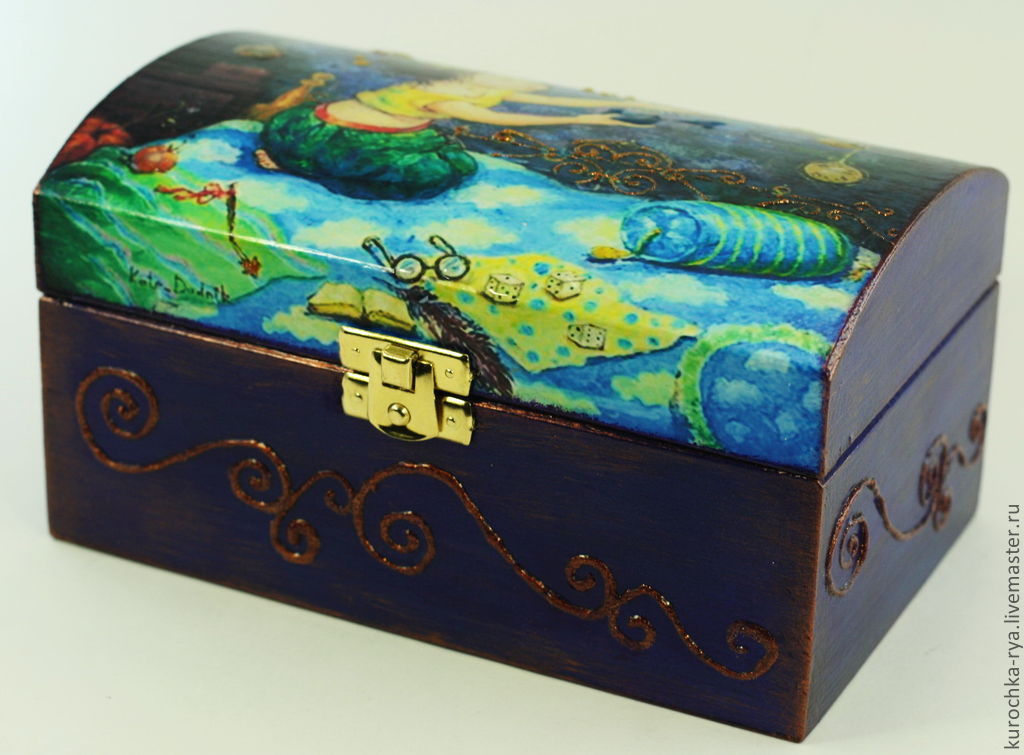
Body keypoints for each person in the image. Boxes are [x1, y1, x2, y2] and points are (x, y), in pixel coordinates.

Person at [257, 72, 656, 200]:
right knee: (439, 172)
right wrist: (594, 118)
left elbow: (538, 97)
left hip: (305, 125)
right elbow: (516, 117)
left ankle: (291, 162)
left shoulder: (460, 87)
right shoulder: (448, 99)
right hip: (347, 143)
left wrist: (599, 111)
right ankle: (299, 171)